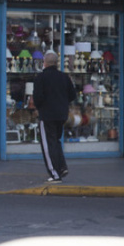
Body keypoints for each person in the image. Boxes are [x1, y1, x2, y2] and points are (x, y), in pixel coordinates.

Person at [33, 51, 76, 183]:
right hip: (61, 114)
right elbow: (73, 95)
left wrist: (40, 107)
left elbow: (37, 98)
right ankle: (62, 167)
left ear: (44, 63)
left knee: (47, 145)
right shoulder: (64, 77)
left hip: (47, 115)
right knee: (56, 142)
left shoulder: (41, 77)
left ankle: (54, 173)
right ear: (56, 63)